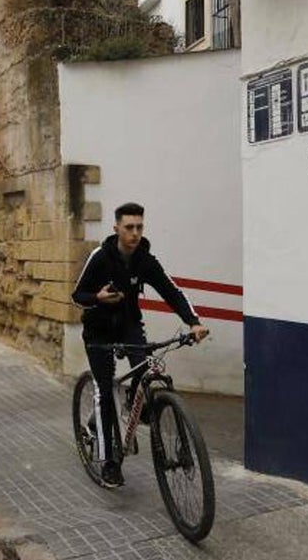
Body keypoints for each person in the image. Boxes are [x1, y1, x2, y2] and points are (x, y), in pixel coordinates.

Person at [71, 202, 209, 488]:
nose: (135, 233)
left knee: (144, 370)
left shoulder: (145, 260)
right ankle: (109, 462)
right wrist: (97, 297)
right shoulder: (100, 257)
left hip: (129, 326)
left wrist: (193, 322)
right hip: (98, 333)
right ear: (117, 229)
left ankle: (136, 405)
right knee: (105, 391)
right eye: (129, 227)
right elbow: (78, 295)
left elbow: (171, 292)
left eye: (139, 227)